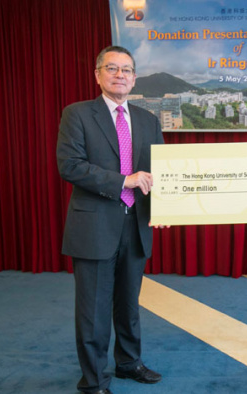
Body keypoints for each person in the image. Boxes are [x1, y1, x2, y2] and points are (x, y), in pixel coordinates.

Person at [57, 45, 164, 394]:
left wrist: (167, 207)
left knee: (129, 303)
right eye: (112, 68)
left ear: (134, 78)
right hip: (94, 226)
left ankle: (129, 362)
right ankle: (93, 380)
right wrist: (123, 181)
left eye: (127, 70)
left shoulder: (148, 120)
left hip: (136, 225)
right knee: (93, 309)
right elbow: (70, 166)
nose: (120, 75)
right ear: (98, 74)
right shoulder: (77, 114)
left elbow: (162, 173)